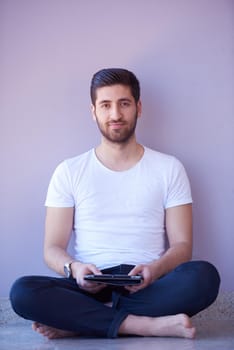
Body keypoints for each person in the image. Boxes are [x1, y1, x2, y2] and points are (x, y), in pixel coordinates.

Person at [10, 68, 220, 340]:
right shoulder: (69, 171)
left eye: (124, 103)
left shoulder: (169, 168)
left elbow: (182, 247)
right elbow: (52, 249)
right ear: (93, 111)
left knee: (204, 276)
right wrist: (76, 269)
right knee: (23, 292)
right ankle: (145, 326)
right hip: (90, 285)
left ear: (138, 107)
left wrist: (154, 270)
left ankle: (83, 322)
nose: (115, 115)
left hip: (147, 283)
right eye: (106, 105)